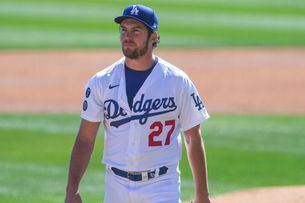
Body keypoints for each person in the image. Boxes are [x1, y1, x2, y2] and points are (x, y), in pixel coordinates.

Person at [65, 4, 211, 203]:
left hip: (161, 185)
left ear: (154, 37)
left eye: (136, 30)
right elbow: (85, 139)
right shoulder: (102, 81)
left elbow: (193, 138)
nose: (127, 36)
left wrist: (202, 195)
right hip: (115, 185)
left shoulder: (177, 81)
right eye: (124, 30)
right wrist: (72, 189)